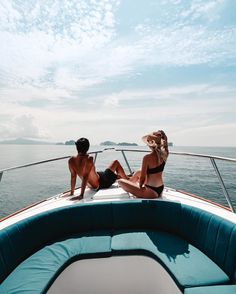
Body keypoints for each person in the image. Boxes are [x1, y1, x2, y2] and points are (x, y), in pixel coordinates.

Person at [118, 130, 169, 198]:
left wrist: (139, 188)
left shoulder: (147, 158)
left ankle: (129, 181)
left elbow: (142, 178)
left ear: (150, 144)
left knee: (120, 181)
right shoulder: (165, 154)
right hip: (160, 188)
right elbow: (166, 147)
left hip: (151, 191)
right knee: (139, 171)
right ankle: (130, 180)